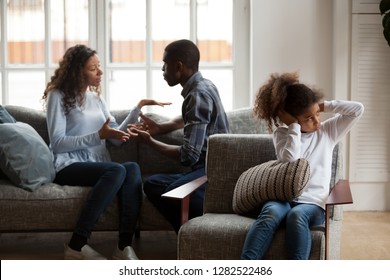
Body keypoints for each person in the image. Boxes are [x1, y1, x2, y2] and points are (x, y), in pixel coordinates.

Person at [42, 44, 170, 260]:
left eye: (99, 66)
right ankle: (76, 245)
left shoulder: (96, 99)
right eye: (93, 68)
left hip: (98, 165)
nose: (100, 72)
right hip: (68, 165)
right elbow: (58, 143)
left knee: (131, 169)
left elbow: (116, 140)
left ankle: (123, 246)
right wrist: (98, 136)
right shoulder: (58, 96)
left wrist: (137, 109)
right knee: (117, 171)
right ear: (76, 71)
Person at [241, 72, 364, 260]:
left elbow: (357, 109)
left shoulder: (328, 132)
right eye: (308, 117)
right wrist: (293, 127)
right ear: (291, 119)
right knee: (270, 213)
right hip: (284, 197)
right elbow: (290, 162)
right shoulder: (283, 134)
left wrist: (321, 105)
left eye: (317, 114)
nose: (317, 121)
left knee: (297, 215)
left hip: (313, 203)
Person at [129, 39, 230, 233]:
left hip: (212, 169)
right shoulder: (205, 85)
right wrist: (160, 127)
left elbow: (188, 155)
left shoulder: (197, 94)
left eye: (165, 65)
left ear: (178, 66)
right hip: (206, 167)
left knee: (172, 193)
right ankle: (192, 227)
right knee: (151, 184)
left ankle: (195, 233)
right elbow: (192, 119)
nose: (162, 70)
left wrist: (150, 141)